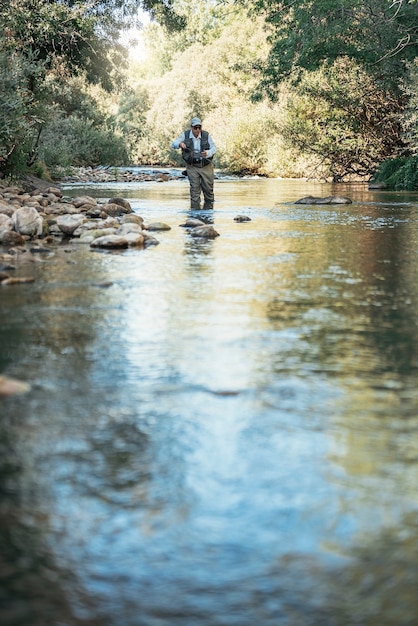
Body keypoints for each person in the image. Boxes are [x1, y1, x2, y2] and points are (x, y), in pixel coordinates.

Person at [171, 117, 217, 210]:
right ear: (191, 127)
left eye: (199, 127)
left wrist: (207, 153)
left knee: (208, 191)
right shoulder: (185, 135)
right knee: (194, 192)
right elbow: (173, 144)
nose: (197, 130)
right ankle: (195, 216)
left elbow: (214, 148)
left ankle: (208, 215)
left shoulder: (206, 135)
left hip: (206, 166)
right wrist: (180, 144)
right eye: (195, 127)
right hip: (192, 166)